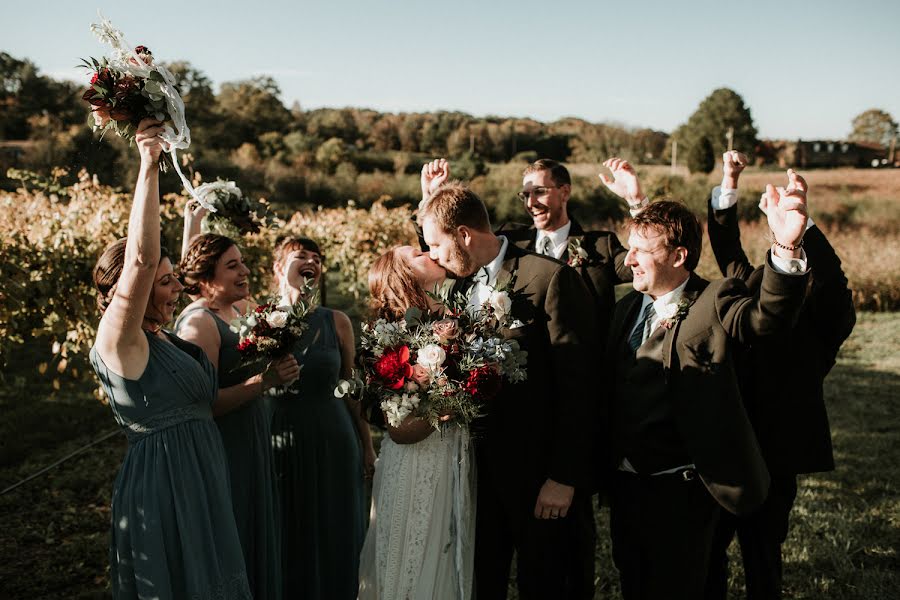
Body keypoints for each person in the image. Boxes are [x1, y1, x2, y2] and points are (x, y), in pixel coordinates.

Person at [604, 175, 813, 599]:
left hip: (686, 493)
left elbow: (765, 320)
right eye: (630, 249)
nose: (629, 261)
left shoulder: (715, 299)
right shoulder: (625, 308)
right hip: (626, 489)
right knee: (633, 582)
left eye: (642, 251)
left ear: (680, 256)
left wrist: (786, 248)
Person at [89, 118, 251, 598]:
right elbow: (142, 261)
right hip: (165, 485)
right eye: (166, 283)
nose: (178, 288)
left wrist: (192, 223)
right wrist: (149, 164)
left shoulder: (159, 338)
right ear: (127, 293)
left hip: (202, 474)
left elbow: (165, 272)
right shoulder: (120, 341)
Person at [419, 183, 598, 599]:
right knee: (483, 580)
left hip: (539, 476)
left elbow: (582, 387)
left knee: (547, 582)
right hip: (477, 474)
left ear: (464, 235)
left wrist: (564, 477)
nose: (432, 256)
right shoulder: (459, 288)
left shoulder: (549, 278)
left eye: (436, 245)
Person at [703, 152, 856, 600]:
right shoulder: (750, 282)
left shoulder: (824, 317)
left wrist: (803, 225)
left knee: (763, 556)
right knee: (709, 552)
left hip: (776, 455)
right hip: (726, 450)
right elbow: (726, 245)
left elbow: (835, 283)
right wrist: (729, 179)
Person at [175, 234, 299, 600]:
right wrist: (265, 382)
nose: (245, 270)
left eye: (242, 262)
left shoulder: (240, 308)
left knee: (257, 527)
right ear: (206, 278)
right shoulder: (198, 325)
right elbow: (204, 405)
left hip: (252, 435)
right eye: (232, 266)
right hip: (223, 447)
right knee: (234, 531)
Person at [357, 244, 477, 600]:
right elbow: (398, 429)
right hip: (415, 464)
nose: (431, 252)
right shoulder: (390, 338)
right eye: (419, 253)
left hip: (456, 458)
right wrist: (448, 402)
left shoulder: (457, 318)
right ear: (404, 275)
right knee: (411, 563)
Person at [268, 236, 375, 599]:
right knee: (286, 530)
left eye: (317, 258)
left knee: (336, 530)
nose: (311, 261)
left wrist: (367, 445)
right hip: (280, 437)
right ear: (279, 268)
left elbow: (351, 388)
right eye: (300, 256)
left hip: (334, 437)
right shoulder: (260, 321)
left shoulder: (338, 322)